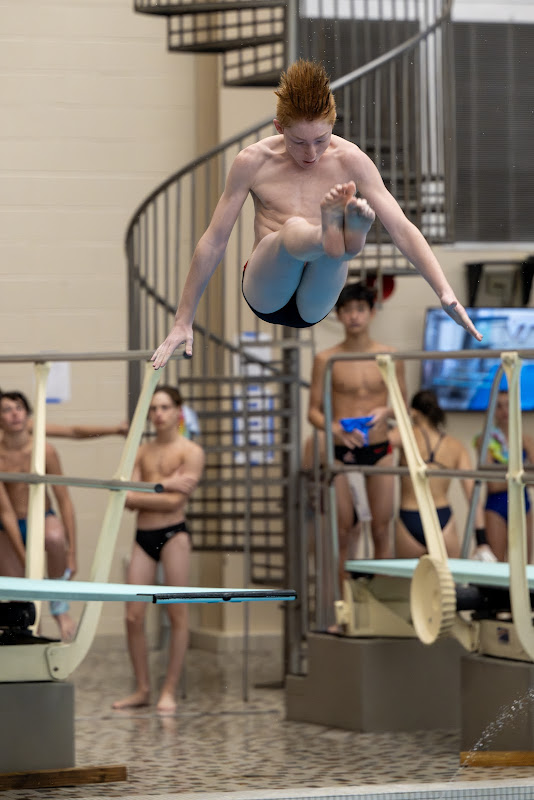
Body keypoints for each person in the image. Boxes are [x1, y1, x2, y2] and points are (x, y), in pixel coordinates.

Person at [151, 59, 481, 369]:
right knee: (295, 228)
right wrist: (183, 319)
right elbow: (214, 241)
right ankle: (335, 235)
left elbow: (402, 228)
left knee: (334, 254)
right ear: (279, 127)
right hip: (267, 289)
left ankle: (336, 238)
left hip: (317, 299)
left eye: (321, 139)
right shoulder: (253, 162)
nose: (311, 153)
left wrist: (444, 291)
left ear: (332, 125)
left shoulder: (351, 159)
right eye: (298, 142)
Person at [308, 282, 406, 599]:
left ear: (372, 313)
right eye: (347, 310)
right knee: (343, 532)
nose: (354, 316)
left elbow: (403, 408)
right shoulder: (327, 359)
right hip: (343, 452)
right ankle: (345, 606)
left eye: (360, 309)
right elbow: (313, 412)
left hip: (379, 449)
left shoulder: (389, 357)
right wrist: (335, 429)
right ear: (338, 315)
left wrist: (386, 411)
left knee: (381, 529)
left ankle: (380, 604)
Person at [112, 385, 205, 715]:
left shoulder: (191, 452)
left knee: (176, 612)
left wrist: (150, 494)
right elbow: (127, 499)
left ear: (178, 410)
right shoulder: (142, 451)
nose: (159, 414)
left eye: (165, 407)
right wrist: (166, 484)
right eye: (154, 408)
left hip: (174, 534)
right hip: (143, 536)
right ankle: (142, 689)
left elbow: (175, 503)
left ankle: (169, 690)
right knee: (133, 616)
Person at [0, 391, 77, 641]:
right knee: (22, 596)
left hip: (42, 517)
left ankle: (59, 606)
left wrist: (72, 552)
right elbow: (6, 513)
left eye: (19, 408)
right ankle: (33, 633)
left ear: (27, 414)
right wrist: (25, 559)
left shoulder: (45, 450)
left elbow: (64, 500)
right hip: (8, 526)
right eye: (7, 410)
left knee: (54, 537)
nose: (14, 414)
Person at [390, 390, 488, 559]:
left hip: (409, 517)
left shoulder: (405, 435)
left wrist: (390, 415)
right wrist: (481, 541)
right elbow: (472, 494)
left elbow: (373, 444)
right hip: (442, 519)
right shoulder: (456, 446)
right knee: (448, 576)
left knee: (410, 577)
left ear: (414, 412)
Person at [474, 389, 534, 562]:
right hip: (497, 507)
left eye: (508, 405)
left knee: (523, 566)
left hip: (523, 506)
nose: (504, 411)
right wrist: (521, 477)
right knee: (496, 566)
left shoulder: (526, 440)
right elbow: (492, 484)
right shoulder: (485, 440)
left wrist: (505, 478)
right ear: (493, 410)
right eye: (499, 406)